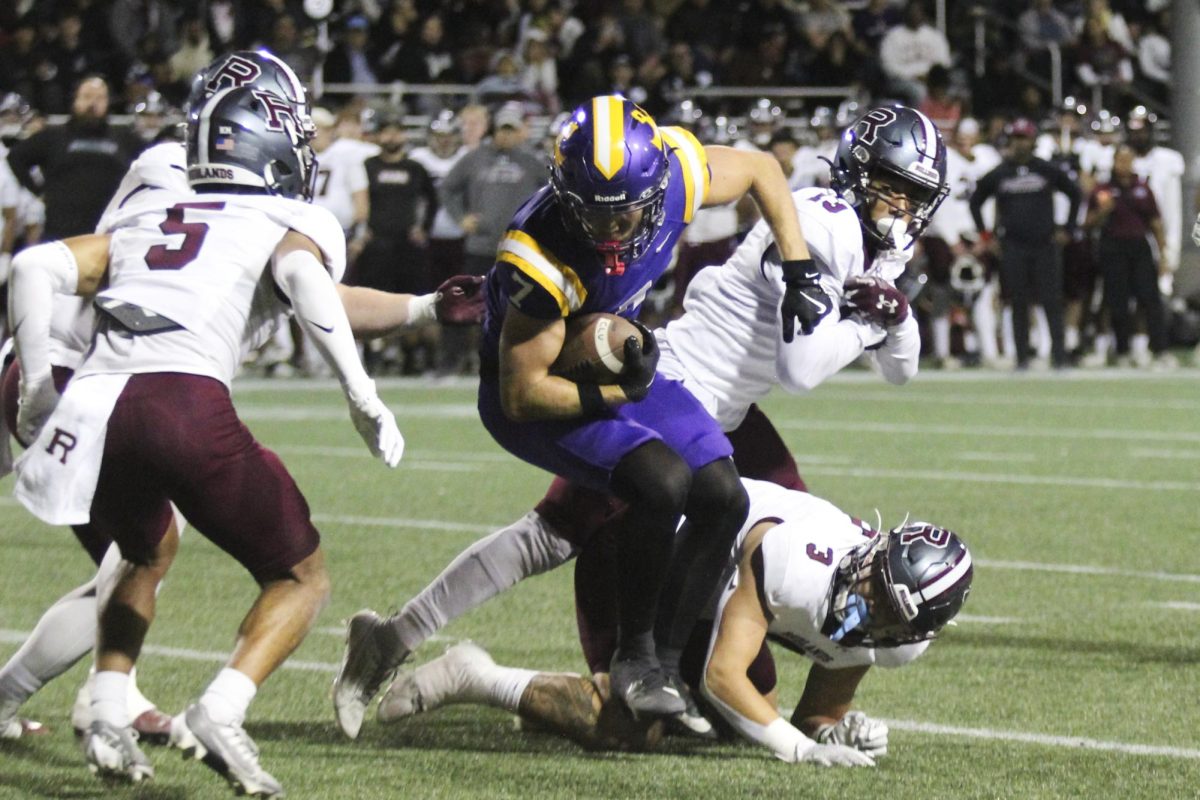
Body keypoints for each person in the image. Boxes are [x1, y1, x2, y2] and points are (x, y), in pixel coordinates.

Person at [334, 104, 948, 739]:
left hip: (721, 406)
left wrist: (885, 314)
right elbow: (803, 365)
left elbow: (765, 173)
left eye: (913, 196)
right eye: (891, 189)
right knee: (560, 530)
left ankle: (740, 686)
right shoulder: (828, 224)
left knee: (808, 543)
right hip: (669, 379)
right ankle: (406, 638)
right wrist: (865, 320)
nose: (618, 228)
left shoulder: (696, 179)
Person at [0, 52, 486, 751]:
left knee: (141, 555)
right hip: (101, 369)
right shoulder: (223, 190)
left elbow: (301, 290)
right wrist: (364, 389)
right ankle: (70, 699)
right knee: (146, 555)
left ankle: (109, 695)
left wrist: (421, 308)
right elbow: (303, 281)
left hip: (52, 355)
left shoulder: (172, 169)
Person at [373, 479, 973, 769]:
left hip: (707, 597)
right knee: (641, 724)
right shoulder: (803, 562)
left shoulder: (890, 641)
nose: (866, 595)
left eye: (887, 608)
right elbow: (722, 675)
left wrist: (830, 733)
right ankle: (474, 676)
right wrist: (796, 749)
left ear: (909, 632)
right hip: (643, 551)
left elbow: (816, 711)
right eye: (874, 576)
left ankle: (557, 705)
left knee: (731, 727)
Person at [970, 118, 1081, 370]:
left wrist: (1068, 229)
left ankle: (1059, 357)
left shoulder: (1045, 169)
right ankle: (1022, 358)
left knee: (1052, 301)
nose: (1021, 143)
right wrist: (986, 237)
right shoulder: (1001, 172)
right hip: (1013, 246)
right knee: (1018, 301)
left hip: (1045, 244)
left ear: (1033, 141)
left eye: (1025, 138)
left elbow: (1074, 193)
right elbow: (976, 200)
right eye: (1017, 138)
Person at [6, 76, 144, 240]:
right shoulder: (54, 136)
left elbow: (151, 161)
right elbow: (16, 157)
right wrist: (39, 192)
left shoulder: (125, 138)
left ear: (108, 102)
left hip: (108, 234)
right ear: (75, 100)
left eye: (99, 98)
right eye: (86, 97)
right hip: (61, 232)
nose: (92, 104)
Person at [1084, 145, 1171, 369]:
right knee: (1117, 301)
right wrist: (1103, 211)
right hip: (1112, 247)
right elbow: (1088, 222)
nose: (1124, 165)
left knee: (1149, 298)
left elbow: (1155, 223)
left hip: (1139, 246)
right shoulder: (1103, 189)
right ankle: (1122, 350)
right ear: (1113, 162)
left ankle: (1158, 350)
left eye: (1128, 160)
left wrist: (1163, 254)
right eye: (1120, 160)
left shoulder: (1142, 188)